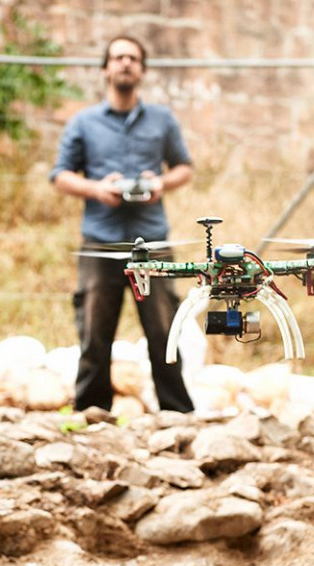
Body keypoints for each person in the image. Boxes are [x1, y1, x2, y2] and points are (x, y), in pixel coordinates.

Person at [50, 35, 195, 413]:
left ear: (142, 70)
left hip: (153, 243)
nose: (125, 63)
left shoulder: (162, 120)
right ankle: (91, 415)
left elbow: (185, 168)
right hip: (100, 242)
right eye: (118, 57)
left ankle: (177, 414)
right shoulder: (84, 122)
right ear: (106, 69)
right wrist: (97, 190)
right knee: (94, 335)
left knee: (165, 331)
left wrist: (159, 184)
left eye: (133, 57)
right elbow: (60, 175)